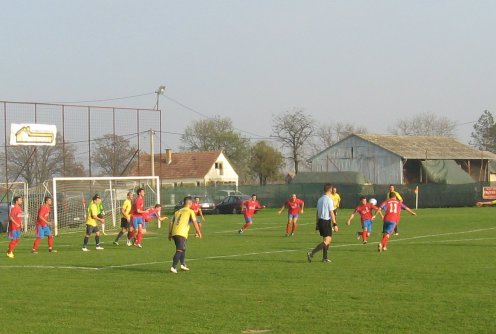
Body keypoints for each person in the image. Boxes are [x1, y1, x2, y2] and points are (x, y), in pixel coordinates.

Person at [168, 196, 202, 274]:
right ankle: (173, 267)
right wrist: (199, 232)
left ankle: (183, 265)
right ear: (190, 203)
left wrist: (169, 234)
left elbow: (171, 222)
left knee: (182, 248)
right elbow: (195, 222)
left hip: (174, 233)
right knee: (179, 250)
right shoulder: (190, 211)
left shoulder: (178, 211)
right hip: (181, 233)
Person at [307, 184, 337, 263]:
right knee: (327, 241)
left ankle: (325, 258)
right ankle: (311, 253)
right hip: (325, 221)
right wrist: (335, 224)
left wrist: (317, 224)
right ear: (330, 190)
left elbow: (317, 213)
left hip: (320, 221)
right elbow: (331, 212)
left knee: (326, 240)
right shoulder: (329, 200)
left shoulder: (320, 199)